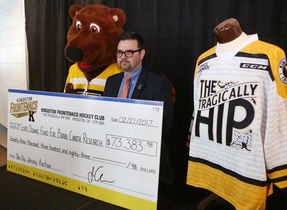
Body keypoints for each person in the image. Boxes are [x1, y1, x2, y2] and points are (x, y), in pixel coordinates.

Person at [186, 18, 287, 210]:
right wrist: (194, 139)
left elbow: (280, 111)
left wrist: (278, 165)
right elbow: (198, 106)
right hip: (212, 157)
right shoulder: (204, 60)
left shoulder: (269, 55)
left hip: (247, 167)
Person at [103, 31, 174, 184]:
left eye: (129, 52)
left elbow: (164, 125)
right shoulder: (111, 82)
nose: (123, 57)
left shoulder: (158, 84)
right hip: (111, 156)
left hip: (142, 162)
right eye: (119, 52)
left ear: (141, 54)